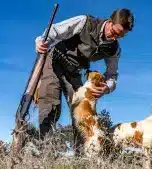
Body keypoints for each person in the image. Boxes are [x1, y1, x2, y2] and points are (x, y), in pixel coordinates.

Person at [34, 8, 134, 153]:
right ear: (110, 21)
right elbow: (54, 31)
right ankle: (45, 153)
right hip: (55, 61)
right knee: (50, 106)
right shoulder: (84, 22)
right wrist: (41, 41)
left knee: (83, 114)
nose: (115, 38)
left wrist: (107, 88)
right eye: (114, 32)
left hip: (76, 71)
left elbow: (112, 75)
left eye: (121, 36)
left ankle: (81, 157)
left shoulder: (114, 49)